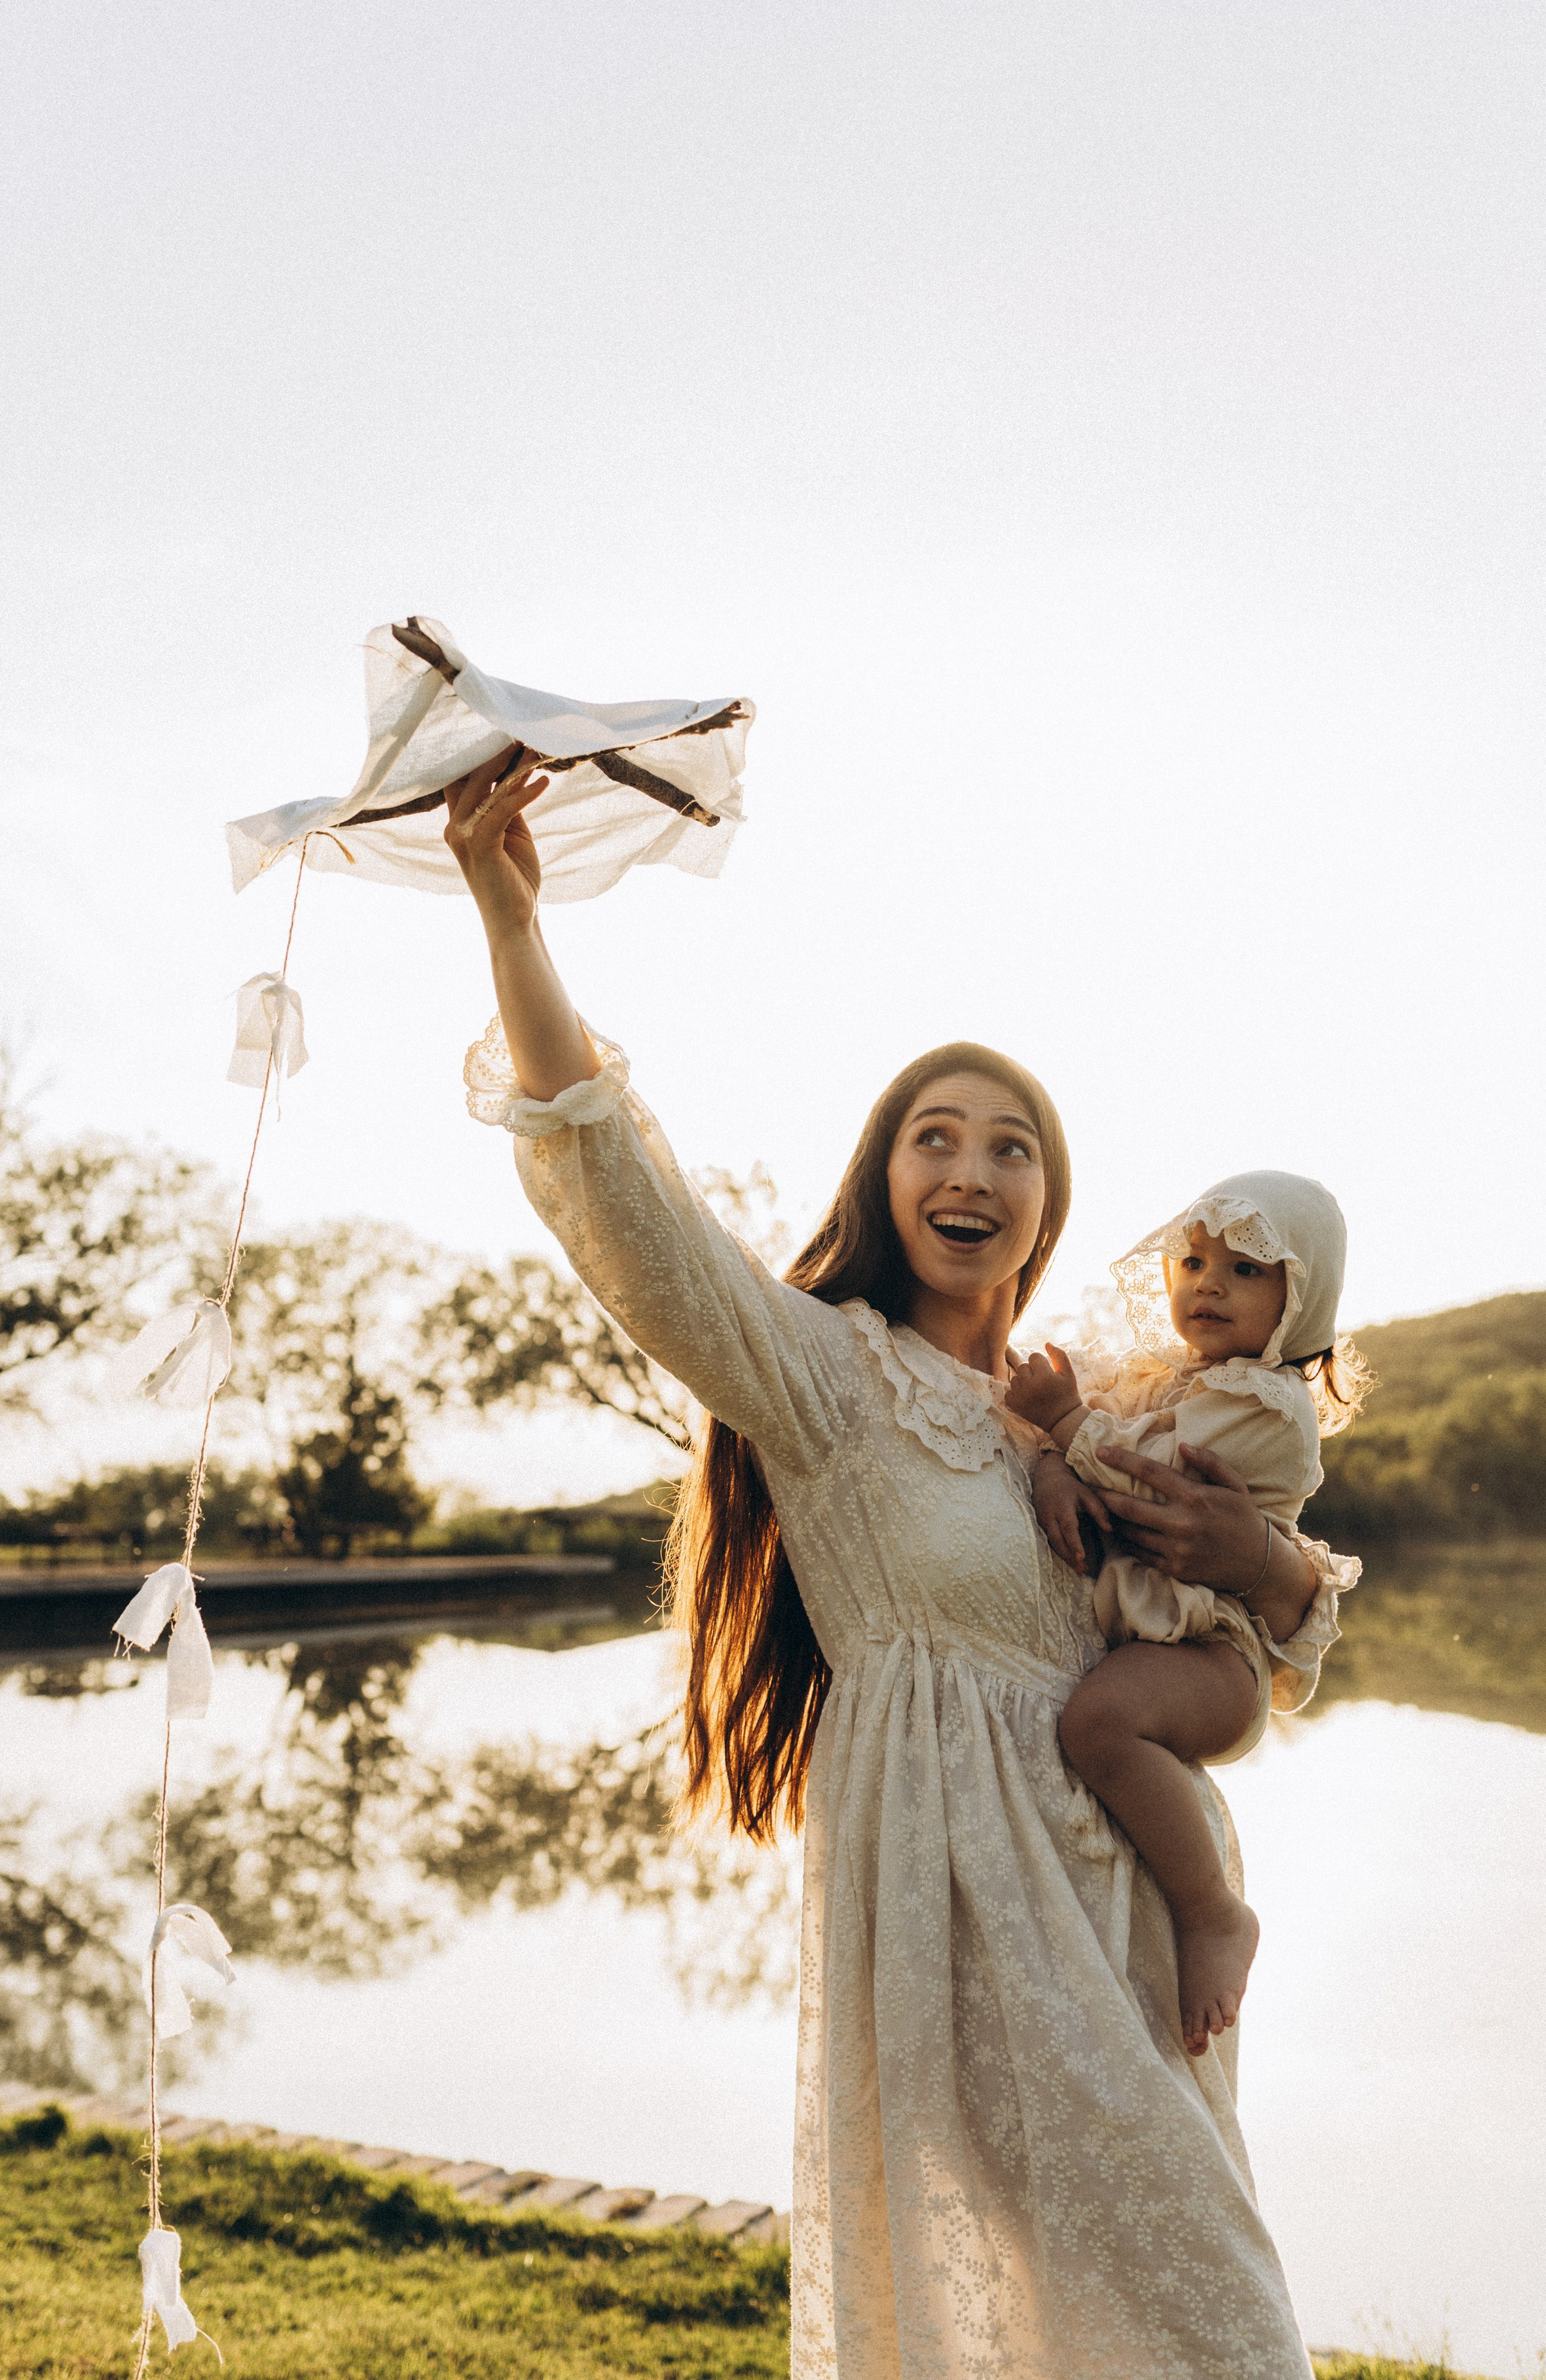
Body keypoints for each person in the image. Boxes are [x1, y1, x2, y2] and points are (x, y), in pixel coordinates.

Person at [442, 740, 1356, 2379]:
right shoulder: (825, 1376)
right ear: (884, 1175)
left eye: (1012, 1148)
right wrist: (513, 924)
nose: (970, 1170)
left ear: (1046, 1206)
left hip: (1135, 1920)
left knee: (1176, 2318)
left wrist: (1274, 1575)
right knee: (1155, 2333)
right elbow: (627, 1205)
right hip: (956, 1911)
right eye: (935, 1137)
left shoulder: (1096, 1406)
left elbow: (1231, 1653)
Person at [1005, 1180, 1365, 2056]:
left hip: (1215, 1652)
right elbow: (1076, 1449)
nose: (1208, 1284)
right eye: (1194, 1261)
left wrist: (1066, 1424)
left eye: (1245, 1269)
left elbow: (1148, 1476)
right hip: (1168, 1638)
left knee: (1098, 1723)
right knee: (1098, 1720)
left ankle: (1213, 1913)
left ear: (1302, 1297)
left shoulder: (1270, 1408)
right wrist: (1050, 1456)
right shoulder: (1168, 1377)